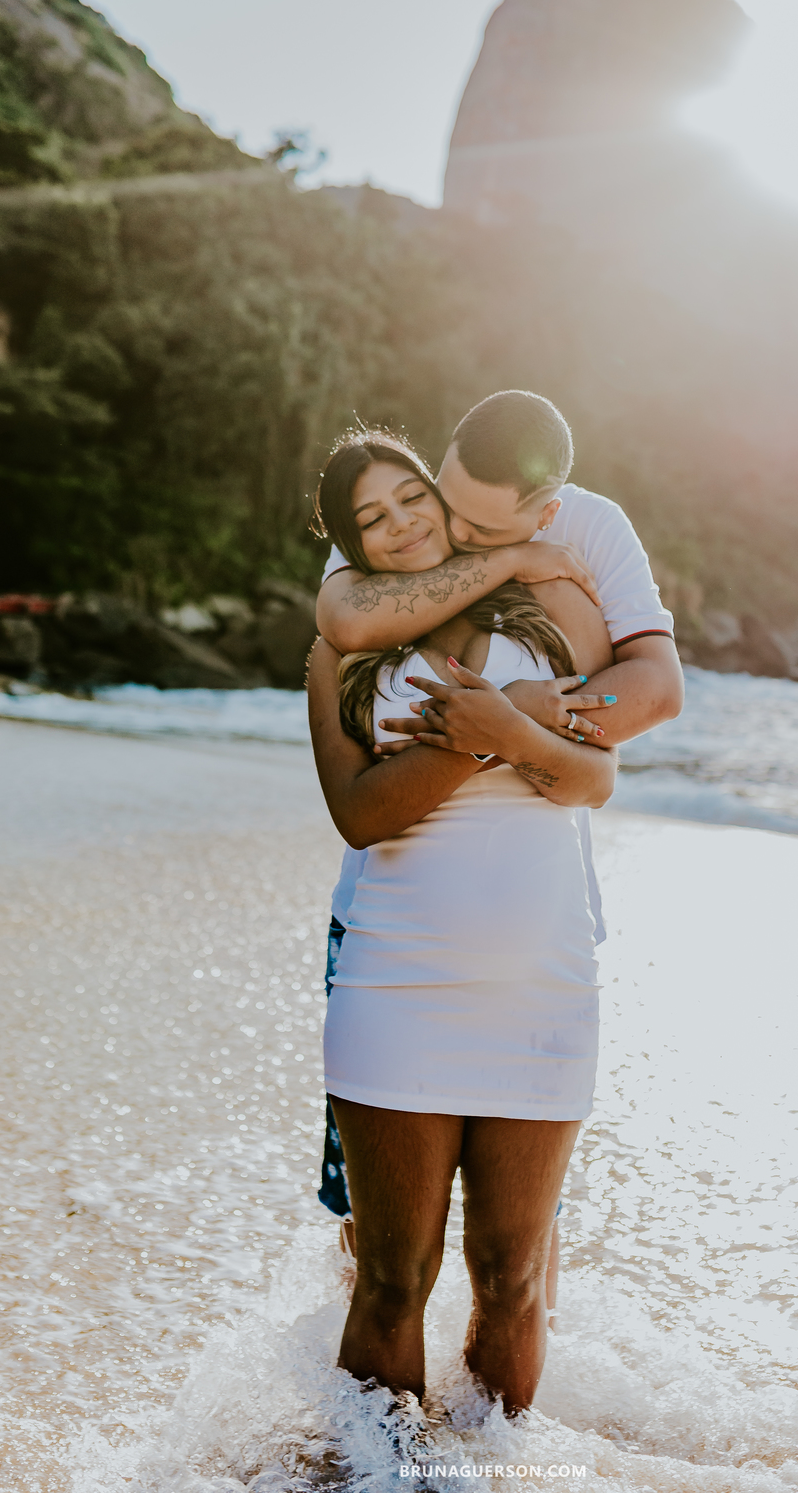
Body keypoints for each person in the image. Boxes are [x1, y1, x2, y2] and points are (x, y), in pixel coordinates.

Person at [307, 429, 617, 1414]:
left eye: (412, 499)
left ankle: (494, 1472)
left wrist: (517, 725)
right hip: (397, 981)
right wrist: (488, 740)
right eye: (372, 518)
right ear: (351, 547)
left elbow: (593, 779)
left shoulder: (545, 617)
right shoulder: (342, 651)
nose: (400, 524)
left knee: (515, 1276)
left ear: (447, 501)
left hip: (544, 988)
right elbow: (360, 810)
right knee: (394, 1275)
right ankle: (374, 1480)